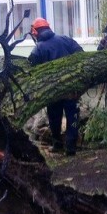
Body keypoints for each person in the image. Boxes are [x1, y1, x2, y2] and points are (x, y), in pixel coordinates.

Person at [28, 17, 84, 154]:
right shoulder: (65, 40)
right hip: (71, 87)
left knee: (54, 118)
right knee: (72, 117)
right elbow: (80, 54)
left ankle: (57, 145)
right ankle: (71, 147)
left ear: (35, 32)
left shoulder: (38, 50)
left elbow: (32, 70)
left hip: (52, 91)